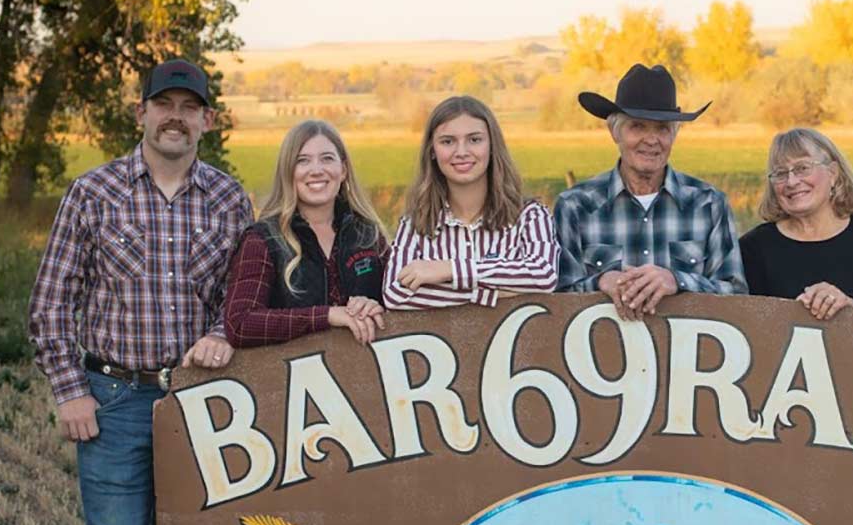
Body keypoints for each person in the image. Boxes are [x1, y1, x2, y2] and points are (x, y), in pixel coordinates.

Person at [26, 59, 253, 525]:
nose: (176, 117)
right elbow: (50, 303)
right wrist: (71, 390)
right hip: (115, 400)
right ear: (141, 114)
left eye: (191, 107)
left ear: (207, 121)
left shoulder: (228, 199)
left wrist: (224, 331)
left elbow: (241, 300)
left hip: (194, 405)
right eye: (165, 105)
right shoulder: (93, 193)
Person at [554, 63, 745, 318]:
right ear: (614, 132)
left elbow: (737, 295)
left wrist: (677, 281)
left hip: (686, 356)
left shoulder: (709, 205)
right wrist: (600, 282)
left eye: (662, 129)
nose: (652, 140)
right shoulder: (575, 207)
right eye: (638, 126)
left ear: (674, 135)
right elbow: (555, 302)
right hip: (603, 353)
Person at [222, 119, 389, 346]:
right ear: (288, 173)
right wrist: (328, 315)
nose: (316, 170)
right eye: (303, 161)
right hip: (293, 377)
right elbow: (240, 324)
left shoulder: (368, 235)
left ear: (343, 171)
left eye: (327, 158)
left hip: (363, 375)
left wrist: (376, 306)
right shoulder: (263, 239)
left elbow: (403, 304)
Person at [384, 96, 558, 309]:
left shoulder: (530, 215)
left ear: (492, 146)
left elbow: (544, 276)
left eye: (474, 140)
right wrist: (488, 295)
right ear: (432, 150)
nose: (462, 152)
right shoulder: (415, 224)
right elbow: (394, 294)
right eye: (448, 141)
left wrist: (449, 270)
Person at [740, 127, 853, 319]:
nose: (791, 182)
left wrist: (851, 306)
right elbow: (745, 321)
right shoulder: (754, 247)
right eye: (780, 173)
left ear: (833, 173)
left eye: (802, 168)